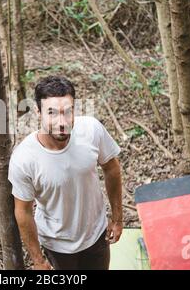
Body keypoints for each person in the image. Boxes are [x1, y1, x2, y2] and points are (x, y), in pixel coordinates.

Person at [8, 75, 123, 270]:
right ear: (38, 112)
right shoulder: (24, 159)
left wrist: (117, 218)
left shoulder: (92, 130)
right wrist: (37, 260)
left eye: (67, 112)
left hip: (97, 235)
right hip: (57, 245)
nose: (62, 122)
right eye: (51, 113)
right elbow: (23, 211)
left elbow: (112, 169)